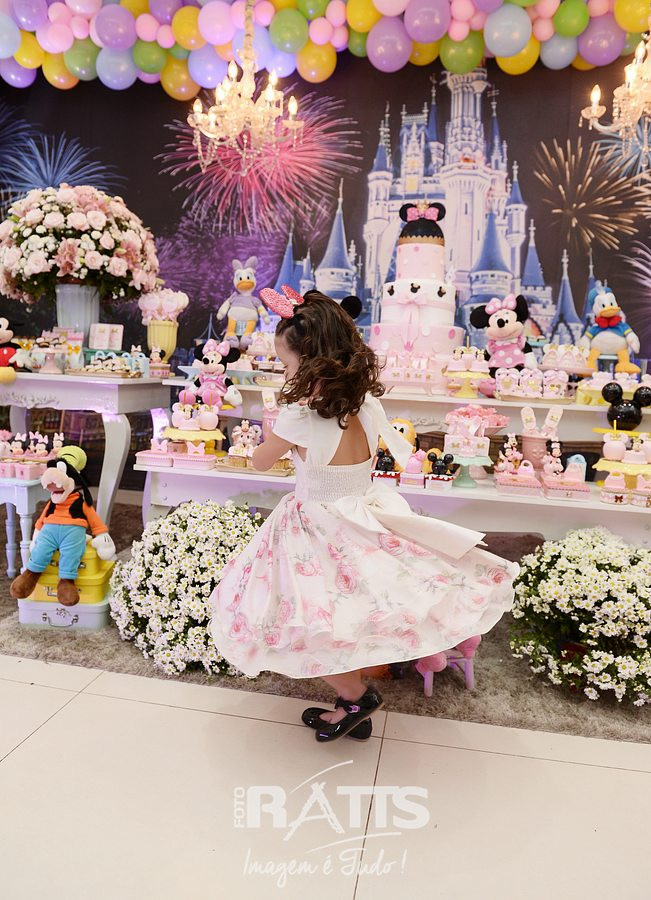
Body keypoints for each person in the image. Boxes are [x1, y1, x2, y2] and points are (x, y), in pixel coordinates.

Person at [208, 287, 518, 744]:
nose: (286, 372)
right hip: (361, 513)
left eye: (287, 364)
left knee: (295, 619)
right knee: (349, 613)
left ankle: (356, 697)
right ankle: (351, 703)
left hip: (314, 524)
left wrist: (272, 434)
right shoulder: (367, 404)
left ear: (310, 362)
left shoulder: (300, 414)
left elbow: (259, 461)